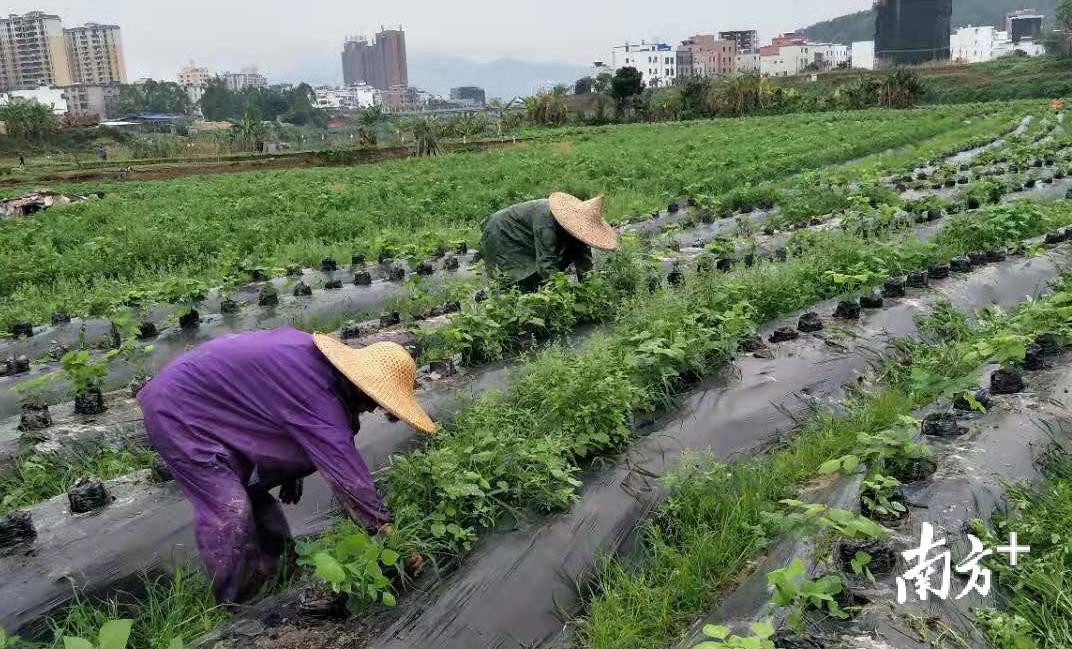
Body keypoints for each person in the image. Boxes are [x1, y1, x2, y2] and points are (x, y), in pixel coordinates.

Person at [137, 328, 436, 604]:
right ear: (360, 385)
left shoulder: (317, 371)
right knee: (230, 508)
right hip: (178, 409)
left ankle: (276, 575)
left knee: (252, 497)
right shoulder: (316, 390)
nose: (372, 408)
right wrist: (393, 538)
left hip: (217, 406)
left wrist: (291, 471)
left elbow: (280, 411)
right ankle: (234, 605)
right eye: (374, 401)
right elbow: (346, 473)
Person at [479, 192, 619, 292]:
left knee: (565, 255)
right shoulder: (546, 221)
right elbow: (546, 262)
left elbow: (584, 260)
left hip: (524, 233)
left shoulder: (578, 231)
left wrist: (590, 289)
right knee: (516, 280)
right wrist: (562, 294)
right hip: (502, 232)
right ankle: (489, 296)